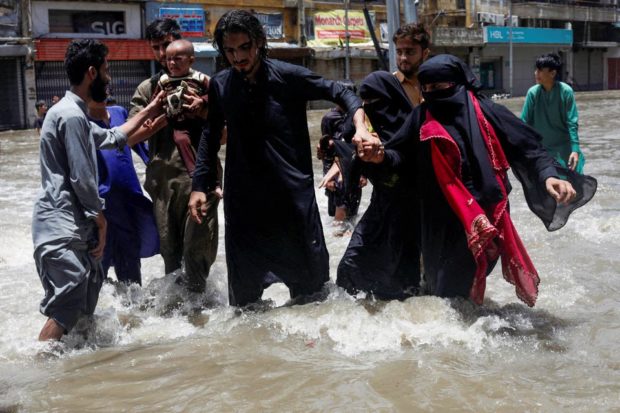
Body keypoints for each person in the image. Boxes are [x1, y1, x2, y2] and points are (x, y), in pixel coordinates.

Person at [189, 10, 376, 307]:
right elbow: (210, 137)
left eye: (244, 48)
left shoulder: (289, 77)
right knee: (245, 307)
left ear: (260, 42)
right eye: (230, 50)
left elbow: (343, 93)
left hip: (293, 202)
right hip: (245, 206)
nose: (238, 57)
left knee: (313, 298)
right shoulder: (221, 85)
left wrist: (362, 128)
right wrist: (200, 185)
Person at [408, 55, 596, 306]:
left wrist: (549, 176)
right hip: (438, 218)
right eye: (427, 89)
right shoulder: (421, 117)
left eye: (440, 88)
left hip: (485, 217)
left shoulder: (488, 113)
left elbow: (528, 147)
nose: (433, 95)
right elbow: (398, 156)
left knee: (452, 294)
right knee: (436, 286)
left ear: (458, 84)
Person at [33, 39, 165, 341]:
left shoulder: (72, 112)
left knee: (85, 308)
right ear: (92, 72)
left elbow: (113, 137)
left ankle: (77, 377)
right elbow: (82, 176)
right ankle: (37, 370)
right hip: (64, 225)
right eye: (106, 71)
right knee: (68, 308)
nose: (110, 78)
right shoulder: (70, 115)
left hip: (74, 225)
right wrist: (100, 219)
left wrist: (151, 110)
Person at [129, 18, 220, 293]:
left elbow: (227, 130)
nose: (162, 55)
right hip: (163, 183)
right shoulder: (148, 90)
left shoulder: (203, 85)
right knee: (170, 253)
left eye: (166, 46)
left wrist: (202, 110)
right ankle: (179, 317)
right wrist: (159, 114)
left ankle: (198, 314)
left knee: (198, 248)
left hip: (201, 180)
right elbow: (129, 136)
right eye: (156, 48)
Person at [336, 71, 420, 300]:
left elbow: (402, 159)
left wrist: (382, 157)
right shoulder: (366, 135)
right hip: (379, 210)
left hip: (410, 217)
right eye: (367, 101)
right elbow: (351, 158)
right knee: (349, 268)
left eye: (378, 101)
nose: (373, 107)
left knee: (402, 285)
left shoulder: (415, 129)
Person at [88, 99, 159, 285]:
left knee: (132, 278)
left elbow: (140, 146)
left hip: (129, 205)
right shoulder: (80, 121)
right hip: (101, 210)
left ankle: (133, 315)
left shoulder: (119, 112)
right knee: (97, 274)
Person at [521, 53, 585, 174]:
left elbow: (572, 122)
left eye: (540, 70)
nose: (536, 73)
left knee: (572, 188)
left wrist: (575, 150)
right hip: (542, 150)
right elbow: (524, 123)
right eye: (536, 70)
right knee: (547, 187)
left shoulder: (566, 92)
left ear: (553, 73)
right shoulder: (532, 93)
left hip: (564, 149)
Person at [157, 39, 210, 177]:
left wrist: (202, 101)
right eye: (169, 59)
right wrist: (151, 117)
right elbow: (155, 101)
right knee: (181, 140)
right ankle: (194, 173)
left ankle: (214, 182)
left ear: (191, 61)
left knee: (205, 147)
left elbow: (214, 95)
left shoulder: (199, 78)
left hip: (199, 122)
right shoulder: (164, 81)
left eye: (177, 59)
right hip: (178, 123)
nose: (172, 63)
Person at [317, 102, 364, 236]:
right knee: (337, 212)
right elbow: (325, 149)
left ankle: (348, 237)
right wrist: (328, 176)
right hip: (337, 168)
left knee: (353, 210)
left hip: (354, 165)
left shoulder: (357, 116)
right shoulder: (329, 118)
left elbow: (360, 145)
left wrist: (363, 175)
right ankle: (336, 239)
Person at [393, 23, 431, 106]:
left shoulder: (435, 84)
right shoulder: (387, 86)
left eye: (410, 52)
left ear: (425, 54)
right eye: (399, 52)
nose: (403, 58)